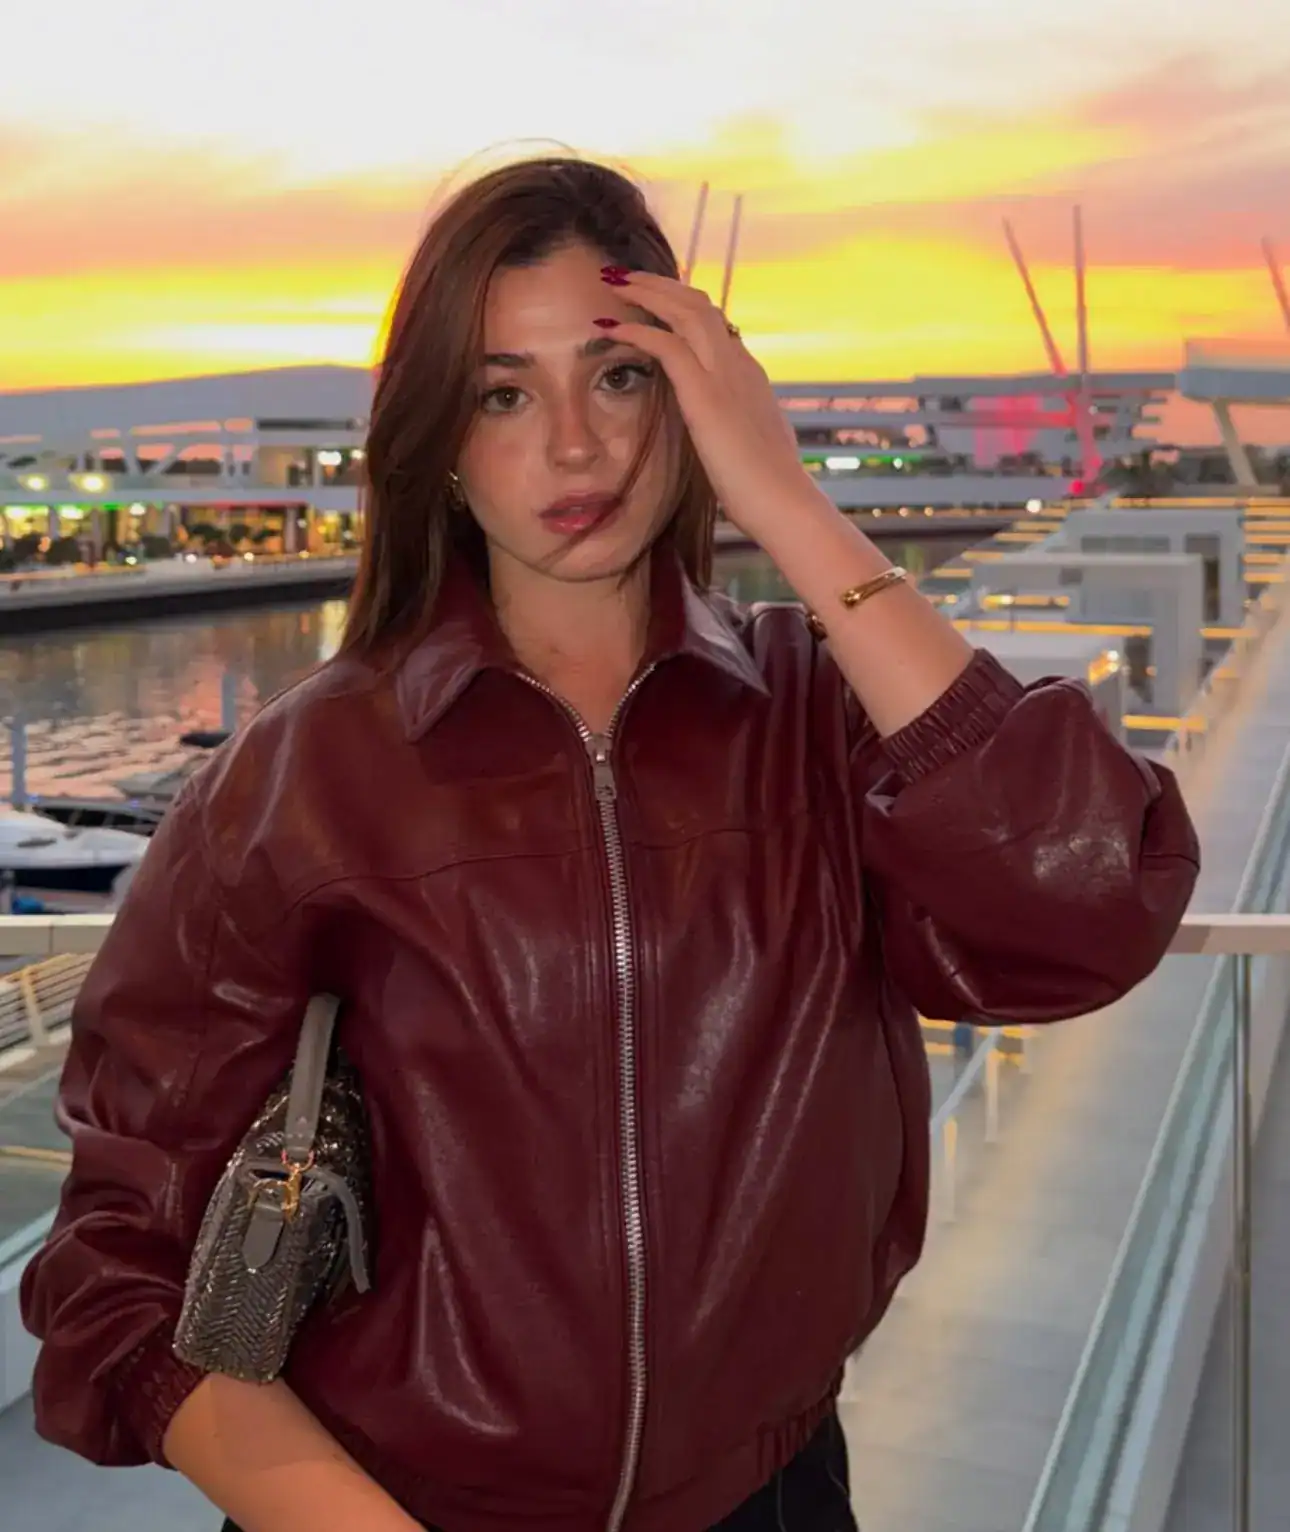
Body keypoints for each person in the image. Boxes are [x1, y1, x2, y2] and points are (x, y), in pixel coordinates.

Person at [20, 156, 1200, 1532]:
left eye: (622, 377)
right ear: (438, 439)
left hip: (766, 1498)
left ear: (696, 400)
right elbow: (122, 1271)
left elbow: (1089, 908)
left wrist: (790, 504)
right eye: (503, 394)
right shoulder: (299, 780)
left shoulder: (815, 718)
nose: (575, 448)